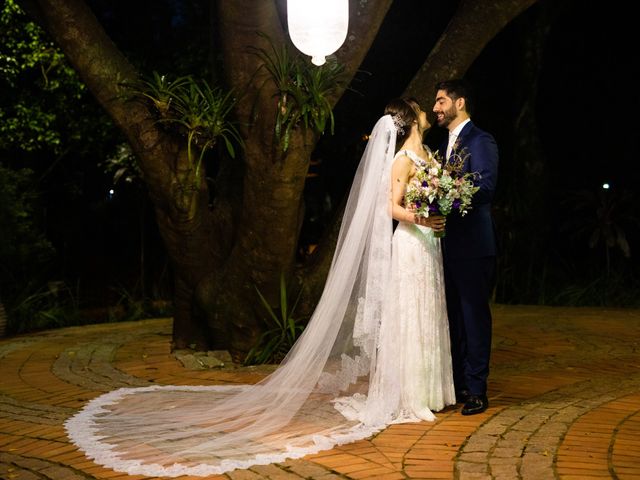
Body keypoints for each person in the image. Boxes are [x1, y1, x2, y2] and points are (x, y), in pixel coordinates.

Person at [64, 99, 455, 478]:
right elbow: (390, 206)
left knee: (424, 313)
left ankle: (430, 389)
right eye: (421, 108)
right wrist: (424, 217)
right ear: (411, 119)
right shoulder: (401, 160)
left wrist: (442, 205)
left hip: (427, 246)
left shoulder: (428, 157)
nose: (425, 110)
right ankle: (408, 392)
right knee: (408, 313)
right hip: (412, 241)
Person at [432, 79, 499, 415]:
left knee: (474, 317)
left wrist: (445, 200)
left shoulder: (481, 140)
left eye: (441, 101)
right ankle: (457, 383)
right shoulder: (444, 145)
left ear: (459, 103)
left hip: (473, 245)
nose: (436, 109)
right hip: (447, 246)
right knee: (454, 318)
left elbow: (485, 187)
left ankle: (477, 390)